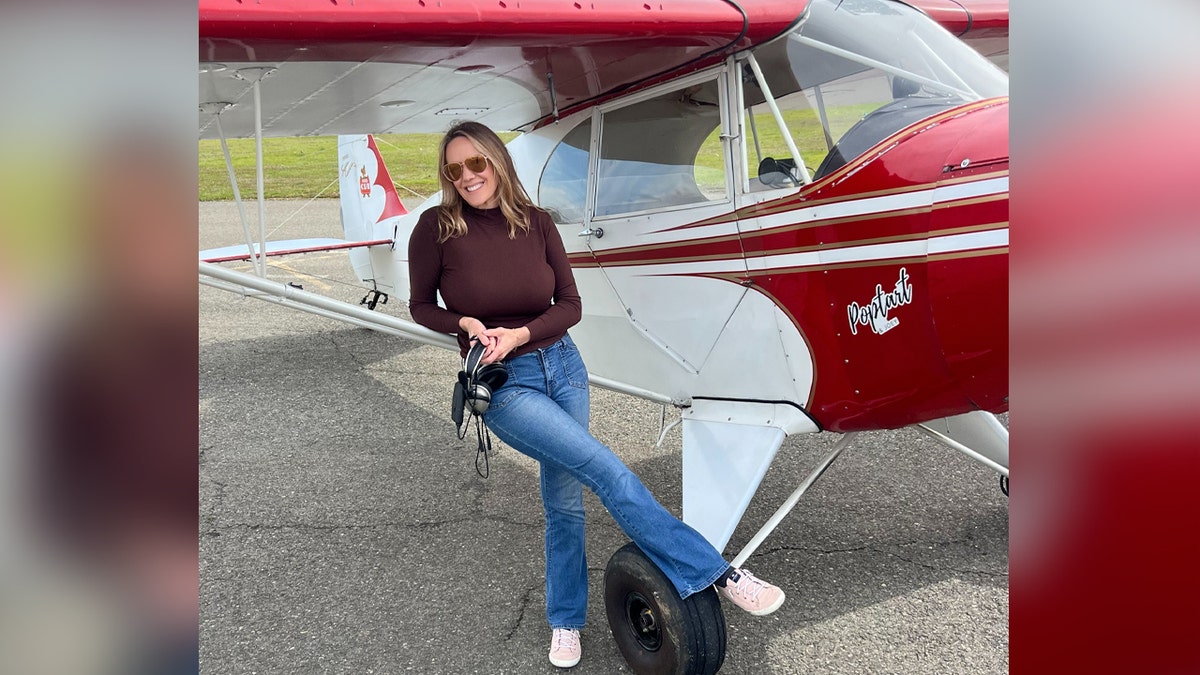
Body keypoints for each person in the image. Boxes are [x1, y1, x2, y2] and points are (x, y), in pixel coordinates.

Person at [408, 120, 785, 669]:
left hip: (563, 366)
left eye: (477, 164)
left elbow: (569, 304)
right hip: (506, 384)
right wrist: (464, 321)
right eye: (455, 168)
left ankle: (565, 621)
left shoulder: (536, 223)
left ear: (497, 163)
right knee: (610, 473)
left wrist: (520, 333)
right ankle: (720, 574)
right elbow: (421, 305)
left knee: (563, 502)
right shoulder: (435, 228)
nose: (467, 177)